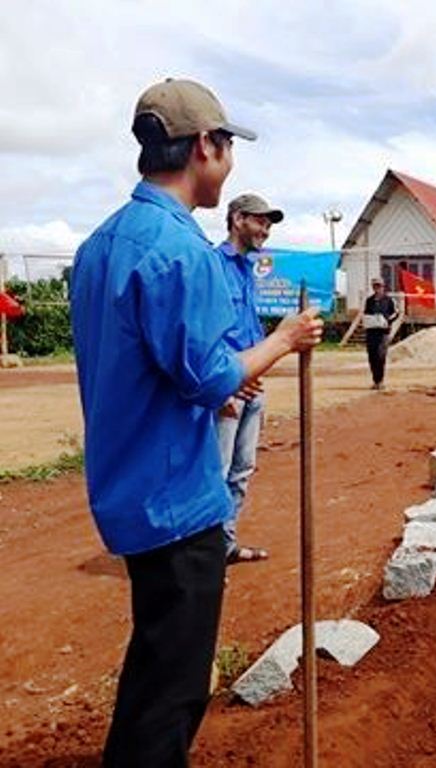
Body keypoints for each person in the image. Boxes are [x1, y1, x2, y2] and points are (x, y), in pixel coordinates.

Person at [70, 78, 323, 767]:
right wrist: (286, 340)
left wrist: (213, 385)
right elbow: (209, 374)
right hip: (177, 501)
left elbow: (153, 365)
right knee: (173, 692)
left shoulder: (100, 245)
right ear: (207, 147)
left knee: (155, 663)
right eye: (228, 144)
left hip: (127, 492)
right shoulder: (181, 251)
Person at [216, 193, 283, 565]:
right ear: (238, 219)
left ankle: (224, 546)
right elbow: (204, 331)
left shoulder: (246, 270)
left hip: (253, 386)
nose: (266, 231)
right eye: (260, 222)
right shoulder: (213, 264)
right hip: (228, 387)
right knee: (217, 471)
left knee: (242, 471)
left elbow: (249, 328)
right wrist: (220, 386)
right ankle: (205, 559)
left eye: (269, 225)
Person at [364, 277, 398, 390]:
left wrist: (387, 321)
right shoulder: (369, 300)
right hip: (371, 332)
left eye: (379, 286)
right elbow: (366, 313)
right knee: (372, 356)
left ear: (383, 287)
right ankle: (375, 381)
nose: (377, 288)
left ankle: (381, 380)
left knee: (380, 356)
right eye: (375, 286)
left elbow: (395, 313)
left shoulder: (388, 300)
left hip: (383, 332)